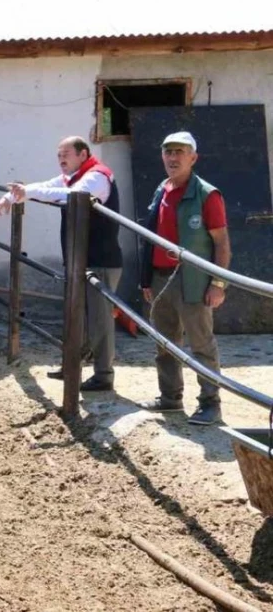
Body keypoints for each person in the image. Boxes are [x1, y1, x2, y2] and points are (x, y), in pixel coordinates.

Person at [0, 136, 124, 392]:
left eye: (66, 154)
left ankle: (104, 375)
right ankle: (72, 366)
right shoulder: (72, 177)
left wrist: (26, 193)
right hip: (80, 258)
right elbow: (47, 187)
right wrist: (11, 196)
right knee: (76, 314)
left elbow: (71, 196)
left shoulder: (97, 177)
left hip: (101, 259)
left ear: (83, 154)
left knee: (99, 319)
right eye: (58, 155)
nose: (61, 159)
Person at [138, 131, 230, 425]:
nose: (173, 158)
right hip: (161, 277)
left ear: (193, 157)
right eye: (168, 152)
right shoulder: (161, 189)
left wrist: (218, 283)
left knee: (201, 343)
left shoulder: (207, 194)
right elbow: (151, 237)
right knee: (164, 342)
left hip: (193, 280)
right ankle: (170, 398)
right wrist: (146, 280)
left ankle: (210, 404)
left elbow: (222, 242)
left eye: (180, 152)